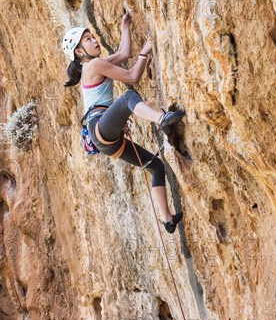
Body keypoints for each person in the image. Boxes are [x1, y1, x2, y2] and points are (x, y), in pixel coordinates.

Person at [61, 12, 184, 233]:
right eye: (88, 39)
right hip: (100, 127)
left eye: (92, 36)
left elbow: (123, 53)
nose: (94, 39)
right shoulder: (92, 66)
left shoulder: (96, 64)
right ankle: (161, 119)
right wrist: (145, 53)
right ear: (79, 52)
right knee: (128, 97)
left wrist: (125, 26)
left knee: (156, 167)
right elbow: (132, 77)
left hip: (106, 137)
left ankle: (167, 219)